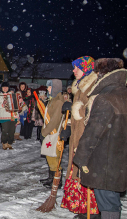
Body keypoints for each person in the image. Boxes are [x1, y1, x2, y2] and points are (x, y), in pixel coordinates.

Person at [73, 58, 127, 219]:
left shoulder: (105, 98)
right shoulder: (122, 94)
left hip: (106, 162)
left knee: (108, 203)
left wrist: (81, 157)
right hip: (119, 160)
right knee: (112, 201)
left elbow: (93, 132)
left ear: (102, 74)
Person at [59, 56, 100, 218]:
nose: (73, 70)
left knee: (87, 174)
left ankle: (93, 211)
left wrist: (75, 108)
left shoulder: (93, 88)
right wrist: (69, 127)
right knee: (77, 173)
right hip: (78, 136)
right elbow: (77, 116)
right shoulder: (80, 88)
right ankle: (83, 209)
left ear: (87, 68)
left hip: (88, 140)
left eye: (77, 67)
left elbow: (93, 114)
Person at [40, 79, 65, 189]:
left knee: (54, 156)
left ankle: (57, 181)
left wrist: (44, 132)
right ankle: (51, 178)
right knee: (50, 155)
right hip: (50, 132)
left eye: (49, 87)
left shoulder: (58, 102)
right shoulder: (52, 100)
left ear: (55, 88)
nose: (47, 89)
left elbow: (54, 120)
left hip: (54, 133)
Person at [0, 82, 19, 150]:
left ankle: (9, 143)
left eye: (6, 87)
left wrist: (18, 117)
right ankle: (4, 143)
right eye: (3, 87)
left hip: (13, 116)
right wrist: (2, 104)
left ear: (8, 88)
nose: (5, 88)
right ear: (1, 88)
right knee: (5, 130)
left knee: (12, 131)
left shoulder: (12, 95)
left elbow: (16, 106)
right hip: (3, 116)